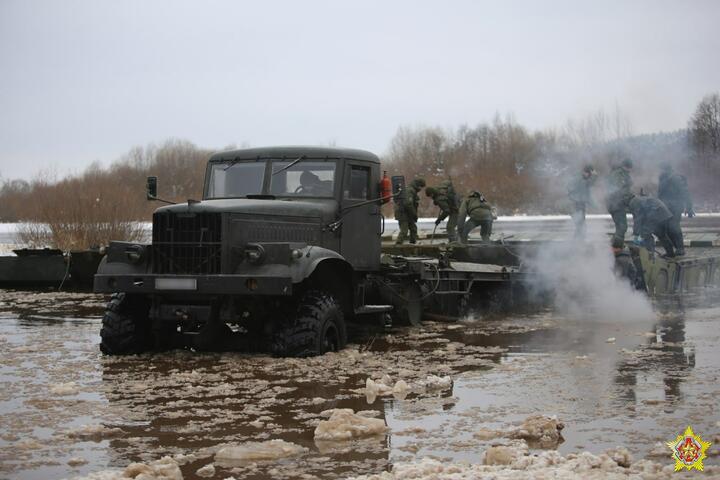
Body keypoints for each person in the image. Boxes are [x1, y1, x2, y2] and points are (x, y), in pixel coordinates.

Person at [658, 164, 693, 256]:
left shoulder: (676, 179)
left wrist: (689, 207)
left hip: (676, 206)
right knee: (667, 229)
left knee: (674, 227)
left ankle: (680, 248)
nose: (661, 171)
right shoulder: (663, 179)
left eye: (662, 169)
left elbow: (685, 192)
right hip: (666, 207)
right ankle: (673, 250)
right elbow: (660, 194)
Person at [605, 158, 634, 244]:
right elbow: (618, 189)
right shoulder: (618, 174)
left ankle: (616, 244)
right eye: (630, 168)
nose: (630, 170)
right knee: (622, 227)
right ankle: (616, 246)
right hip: (616, 204)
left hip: (619, 203)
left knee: (620, 227)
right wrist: (629, 197)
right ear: (627, 166)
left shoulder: (623, 174)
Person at [567, 164, 597, 238]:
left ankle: (578, 243)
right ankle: (578, 244)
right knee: (581, 226)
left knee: (580, 227)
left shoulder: (581, 178)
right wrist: (594, 176)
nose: (589, 176)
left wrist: (594, 205)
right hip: (575, 205)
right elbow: (588, 185)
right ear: (586, 172)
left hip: (578, 205)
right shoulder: (579, 179)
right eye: (589, 174)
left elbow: (586, 195)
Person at [394, 177, 426, 245]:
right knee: (404, 230)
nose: (421, 189)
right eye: (421, 186)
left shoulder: (413, 190)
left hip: (408, 213)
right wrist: (414, 214)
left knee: (413, 229)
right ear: (418, 185)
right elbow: (408, 204)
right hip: (403, 213)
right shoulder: (410, 190)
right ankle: (398, 245)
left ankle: (412, 244)